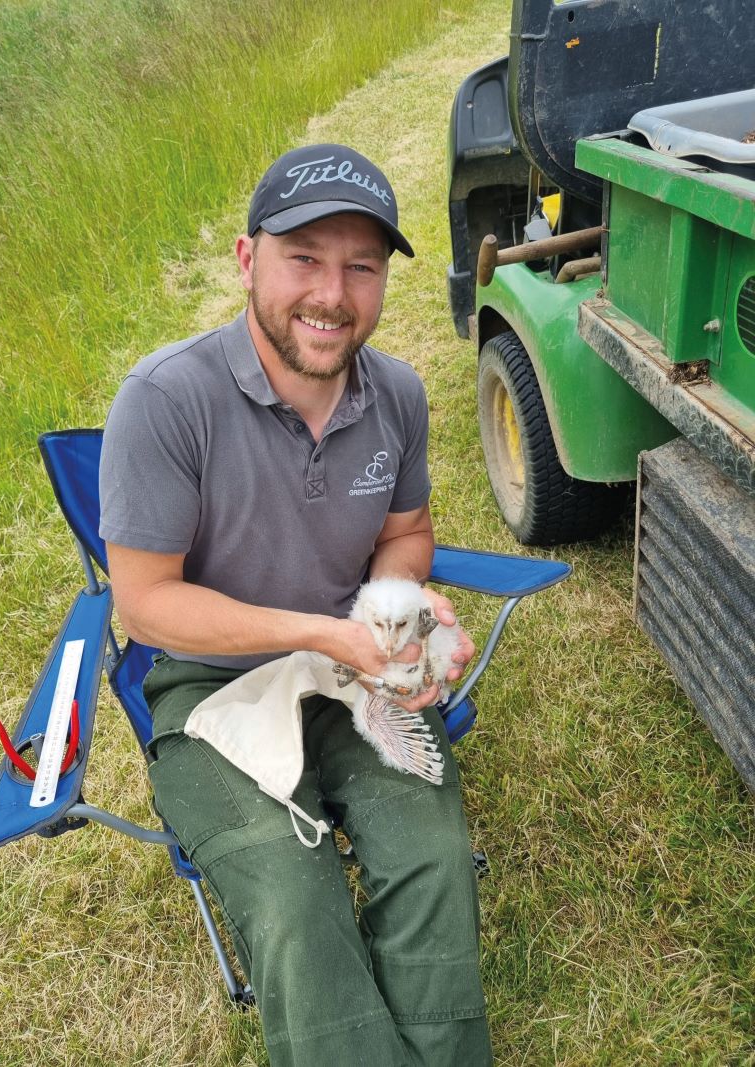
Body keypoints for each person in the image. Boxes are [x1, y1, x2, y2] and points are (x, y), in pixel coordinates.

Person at [98, 143, 493, 1066]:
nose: (333, 293)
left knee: (432, 854)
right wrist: (324, 632)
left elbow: (407, 528)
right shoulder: (165, 403)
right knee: (293, 897)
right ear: (246, 260)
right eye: (305, 258)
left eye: (361, 266)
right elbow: (147, 605)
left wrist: (402, 610)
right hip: (210, 692)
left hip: (353, 674)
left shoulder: (395, 393)